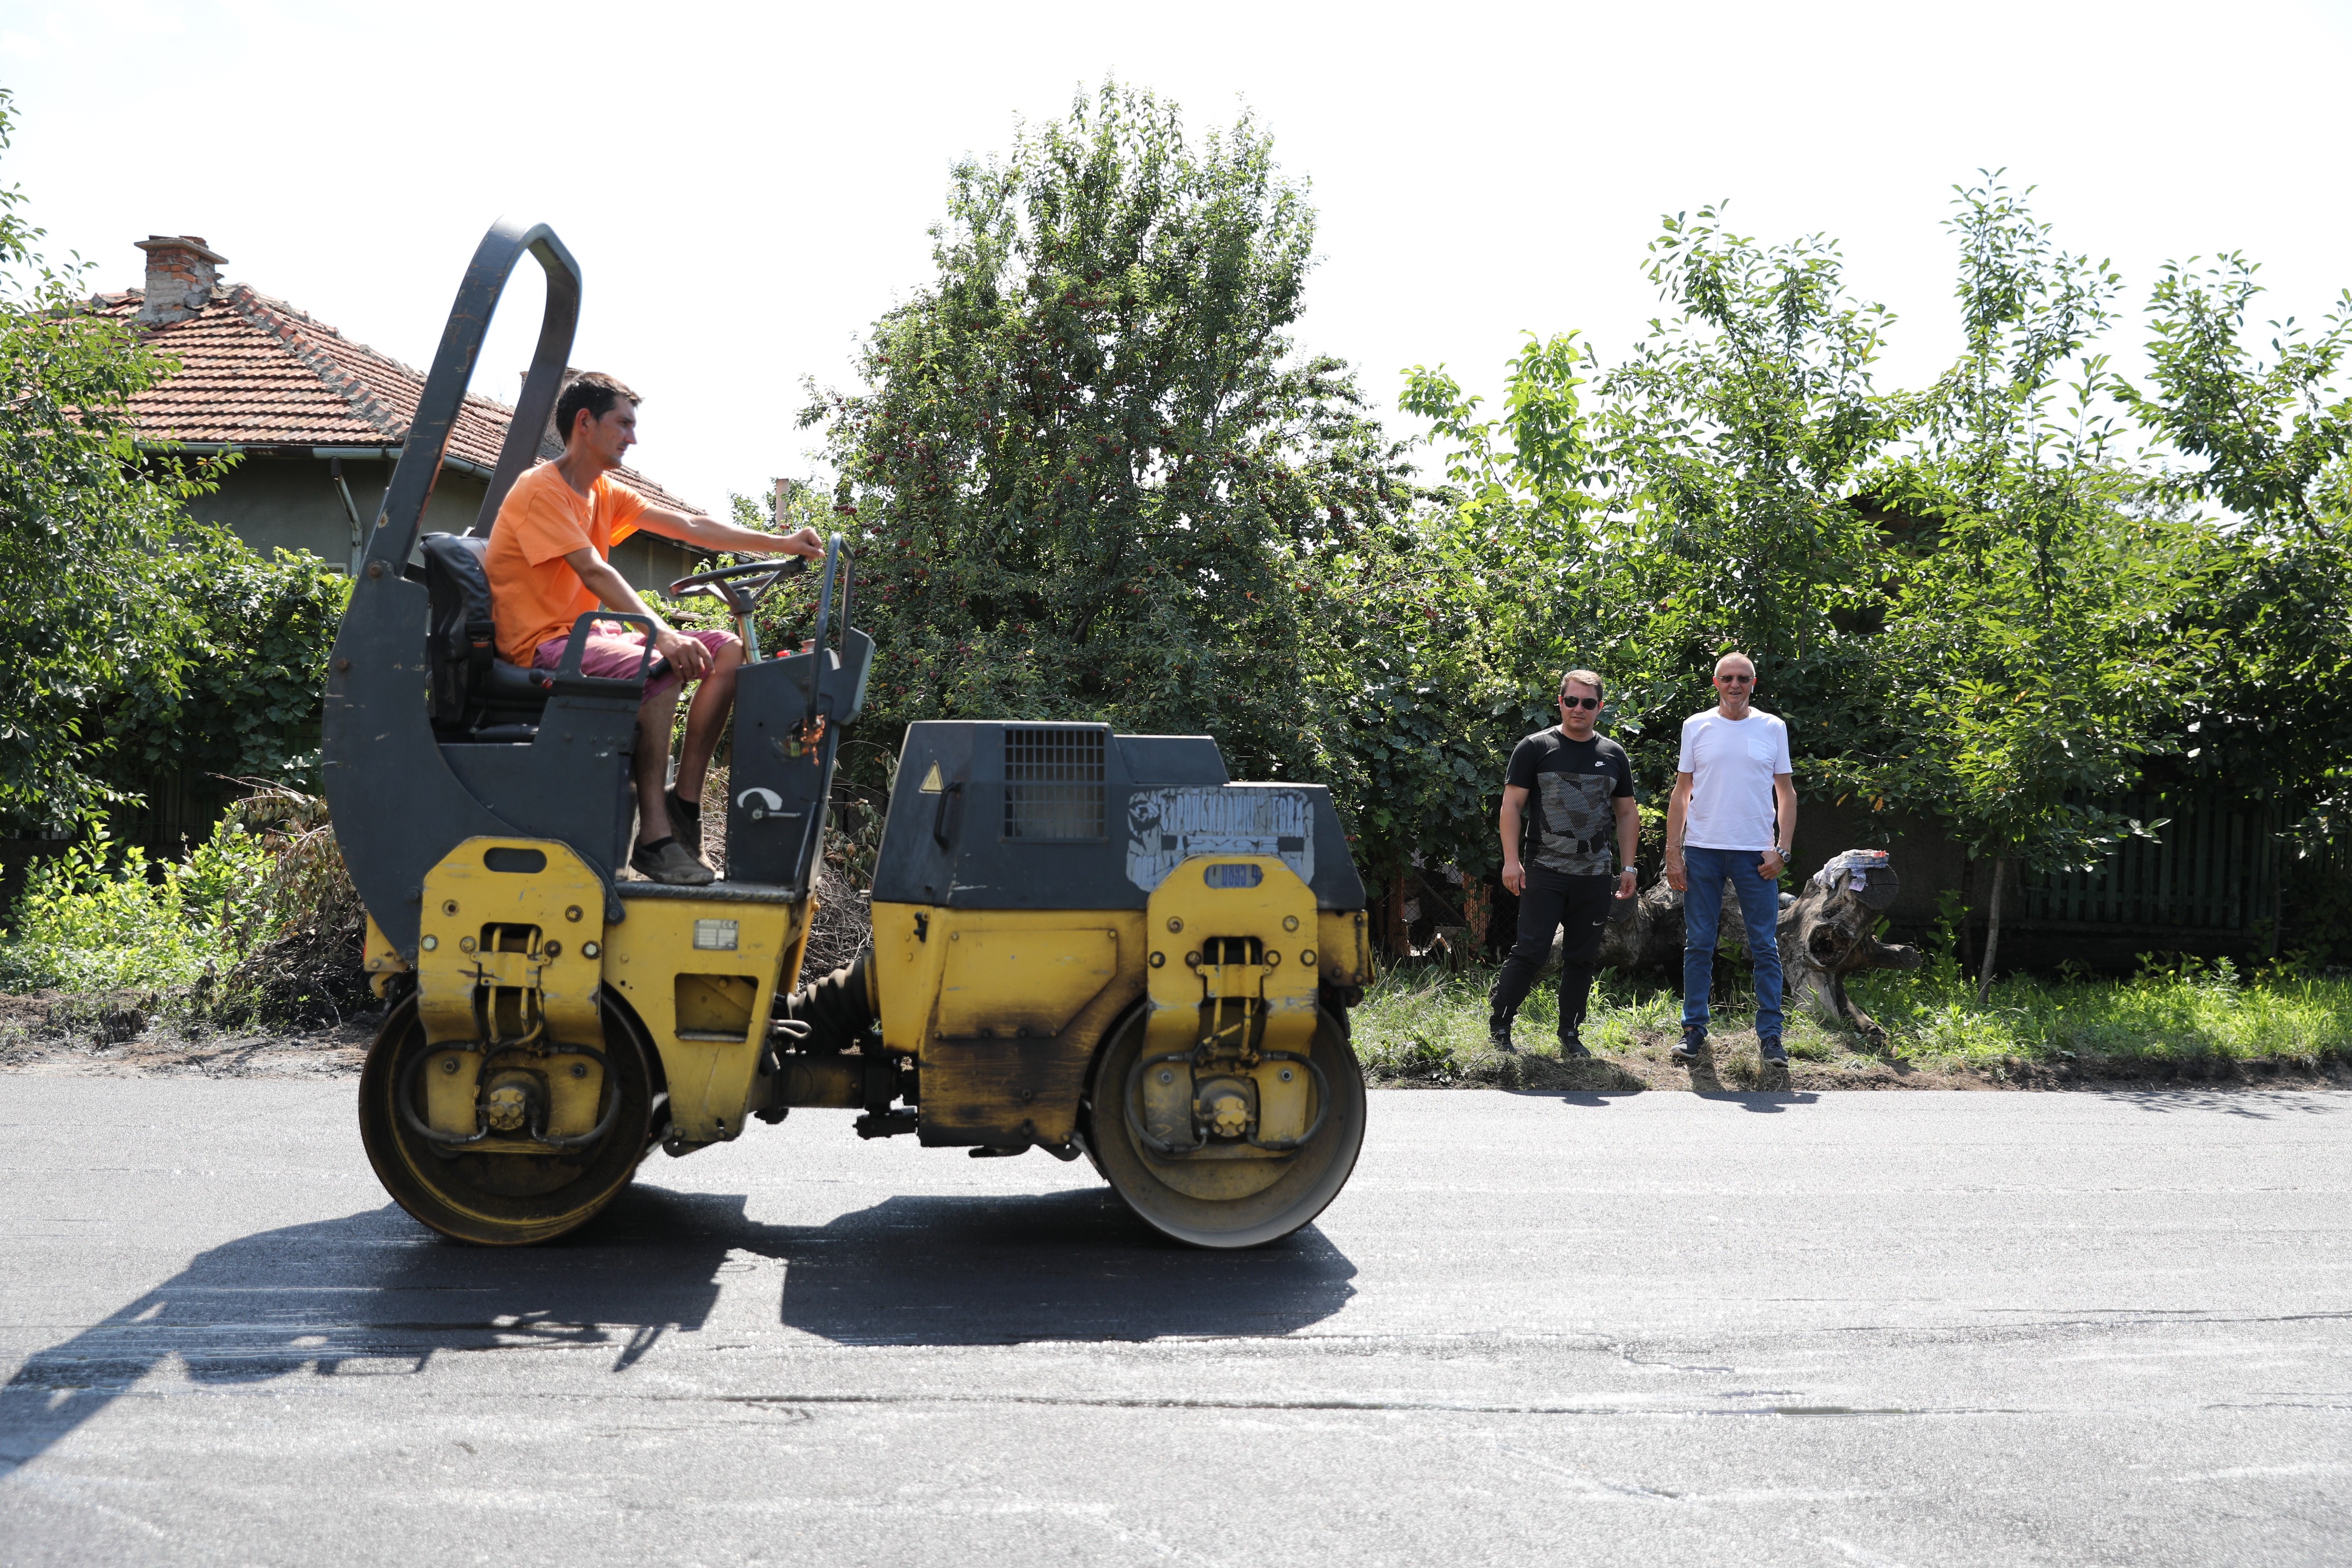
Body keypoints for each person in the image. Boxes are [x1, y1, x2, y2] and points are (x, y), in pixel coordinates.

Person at [484, 372, 822, 886]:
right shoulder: (541, 491)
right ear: (585, 423)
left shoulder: (603, 493)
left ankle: (683, 805)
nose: (632, 438)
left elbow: (690, 528)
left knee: (726, 652)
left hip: (588, 636)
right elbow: (595, 570)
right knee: (660, 662)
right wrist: (661, 631)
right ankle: (654, 840)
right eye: (623, 424)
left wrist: (781, 543)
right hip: (541, 647)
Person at [1489, 669, 1640, 1056]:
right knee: (1533, 950)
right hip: (1544, 869)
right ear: (1560, 702)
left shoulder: (1613, 754)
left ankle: (1570, 1036)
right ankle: (1501, 1025)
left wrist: (1628, 867)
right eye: (1571, 701)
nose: (1579, 708)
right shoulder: (1535, 747)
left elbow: (1626, 813)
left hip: (1594, 874)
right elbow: (1512, 806)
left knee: (1582, 956)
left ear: (1599, 708)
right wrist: (1510, 861)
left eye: (1588, 703)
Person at [1662, 651, 1797, 1063]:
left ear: (1753, 683)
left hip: (1756, 854)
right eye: (1727, 678)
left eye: (1743, 678)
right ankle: (1693, 1032)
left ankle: (1771, 1036)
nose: (1735, 685)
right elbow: (1682, 792)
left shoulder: (1772, 727)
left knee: (1764, 946)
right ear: (1716, 682)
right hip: (1702, 850)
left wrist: (1783, 851)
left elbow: (1787, 793)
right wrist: (1674, 853)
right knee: (1699, 944)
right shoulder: (1696, 726)